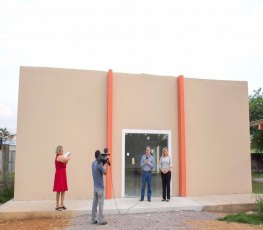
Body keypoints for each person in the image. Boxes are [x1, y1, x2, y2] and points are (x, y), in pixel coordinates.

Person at [91, 150, 110, 225]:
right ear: (98, 156)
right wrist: (107, 164)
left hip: (95, 187)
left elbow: (99, 166)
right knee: (101, 204)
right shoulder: (99, 165)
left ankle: (93, 219)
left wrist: (104, 161)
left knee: (94, 204)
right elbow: (105, 172)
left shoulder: (93, 163)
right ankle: (101, 220)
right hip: (100, 188)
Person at [53, 145, 70, 211]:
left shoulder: (61, 157)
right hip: (59, 174)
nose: (62, 151)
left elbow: (65, 163)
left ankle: (62, 204)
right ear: (59, 151)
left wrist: (67, 159)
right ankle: (57, 205)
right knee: (58, 190)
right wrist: (68, 156)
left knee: (63, 189)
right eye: (62, 150)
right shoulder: (59, 157)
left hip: (63, 173)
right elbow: (65, 159)